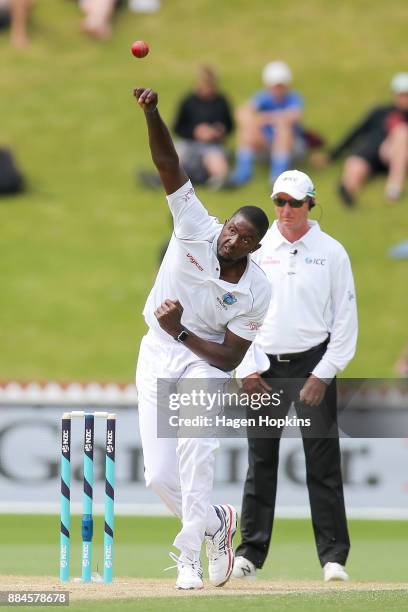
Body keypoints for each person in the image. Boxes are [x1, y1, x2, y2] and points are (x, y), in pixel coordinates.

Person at [133, 86, 271, 590]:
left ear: (255, 247)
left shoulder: (258, 289)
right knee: (157, 476)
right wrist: (152, 114)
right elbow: (169, 163)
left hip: (202, 362)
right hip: (157, 350)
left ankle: (188, 557)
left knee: (197, 450)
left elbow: (230, 357)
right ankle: (216, 524)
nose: (228, 239)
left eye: (241, 238)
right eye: (230, 228)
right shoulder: (195, 225)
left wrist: (183, 330)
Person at [232, 170, 358, 582]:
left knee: (322, 464)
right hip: (263, 366)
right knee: (260, 460)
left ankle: (333, 558)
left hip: (312, 365)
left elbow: (344, 322)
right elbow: (235, 312)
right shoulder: (257, 246)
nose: (286, 211)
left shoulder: (332, 251)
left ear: (310, 205)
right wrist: (246, 368)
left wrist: (323, 373)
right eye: (280, 202)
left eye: (294, 203)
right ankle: (250, 553)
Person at [139, 66, 234, 189]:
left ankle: (220, 181)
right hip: (190, 142)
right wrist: (195, 132)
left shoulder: (221, 102)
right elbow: (178, 127)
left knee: (215, 159)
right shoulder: (189, 101)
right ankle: (159, 178)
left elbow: (230, 126)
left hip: (213, 145)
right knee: (175, 154)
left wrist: (219, 131)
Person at [327, 72, 408, 205]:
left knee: (401, 132)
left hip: (397, 154)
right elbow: (357, 132)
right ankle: (349, 189)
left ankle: (394, 188)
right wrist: (331, 156)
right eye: (402, 95)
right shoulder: (380, 112)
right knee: (354, 163)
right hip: (374, 153)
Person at [230, 61, 304, 187]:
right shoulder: (263, 97)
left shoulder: (293, 98)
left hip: (292, 147)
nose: (278, 90)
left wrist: (264, 118)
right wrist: (253, 123)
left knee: (283, 129)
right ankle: (242, 173)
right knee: (247, 128)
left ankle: (277, 176)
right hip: (266, 145)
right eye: (275, 86)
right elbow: (241, 113)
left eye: (281, 86)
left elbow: (293, 116)